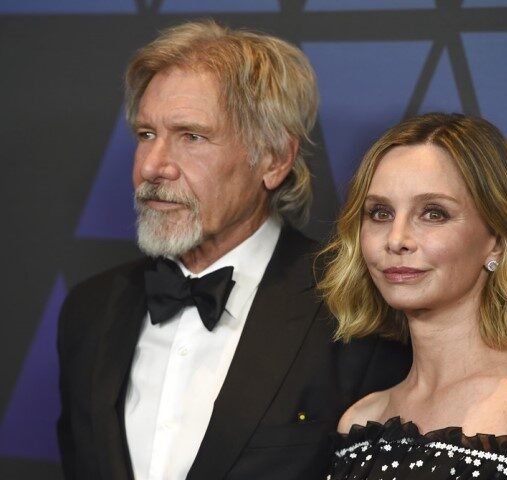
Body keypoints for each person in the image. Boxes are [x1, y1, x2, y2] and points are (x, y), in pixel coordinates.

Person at [57, 20, 410, 480]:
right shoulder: (90, 310)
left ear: (273, 159)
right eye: (146, 134)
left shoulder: (356, 314)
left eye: (191, 136)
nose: (153, 166)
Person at [319, 113, 507, 479]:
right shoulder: (361, 421)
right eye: (380, 213)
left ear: (497, 240)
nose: (396, 239)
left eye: (434, 213)